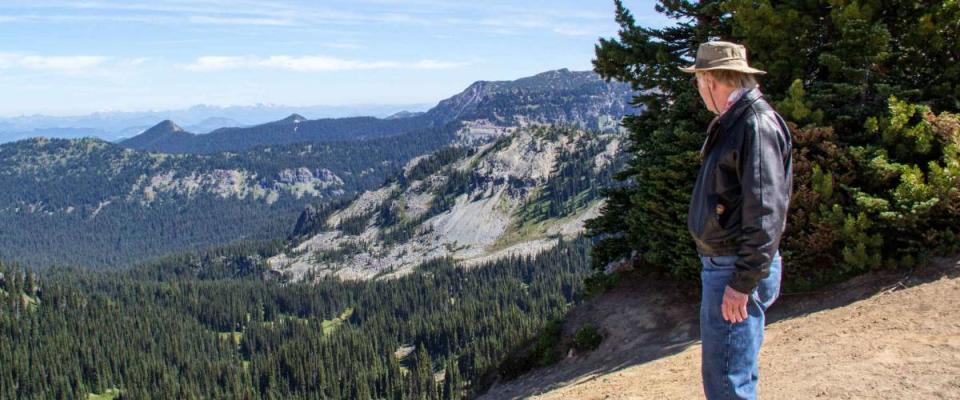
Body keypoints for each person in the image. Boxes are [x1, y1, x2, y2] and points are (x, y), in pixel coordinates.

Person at [681, 41, 794, 399]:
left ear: (710, 80)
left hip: (733, 269)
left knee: (728, 380)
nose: (698, 91)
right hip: (728, 265)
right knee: (729, 373)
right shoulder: (738, 121)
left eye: (698, 82)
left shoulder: (753, 124)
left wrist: (742, 281)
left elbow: (765, 211)